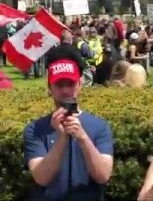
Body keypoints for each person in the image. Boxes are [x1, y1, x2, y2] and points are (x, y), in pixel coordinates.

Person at [23, 59, 114, 200]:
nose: (65, 91)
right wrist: (62, 138)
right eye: (59, 85)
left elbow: (103, 176)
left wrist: (83, 137)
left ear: (79, 85)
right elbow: (42, 178)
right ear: (50, 88)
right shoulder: (35, 129)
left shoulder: (100, 127)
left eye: (70, 84)